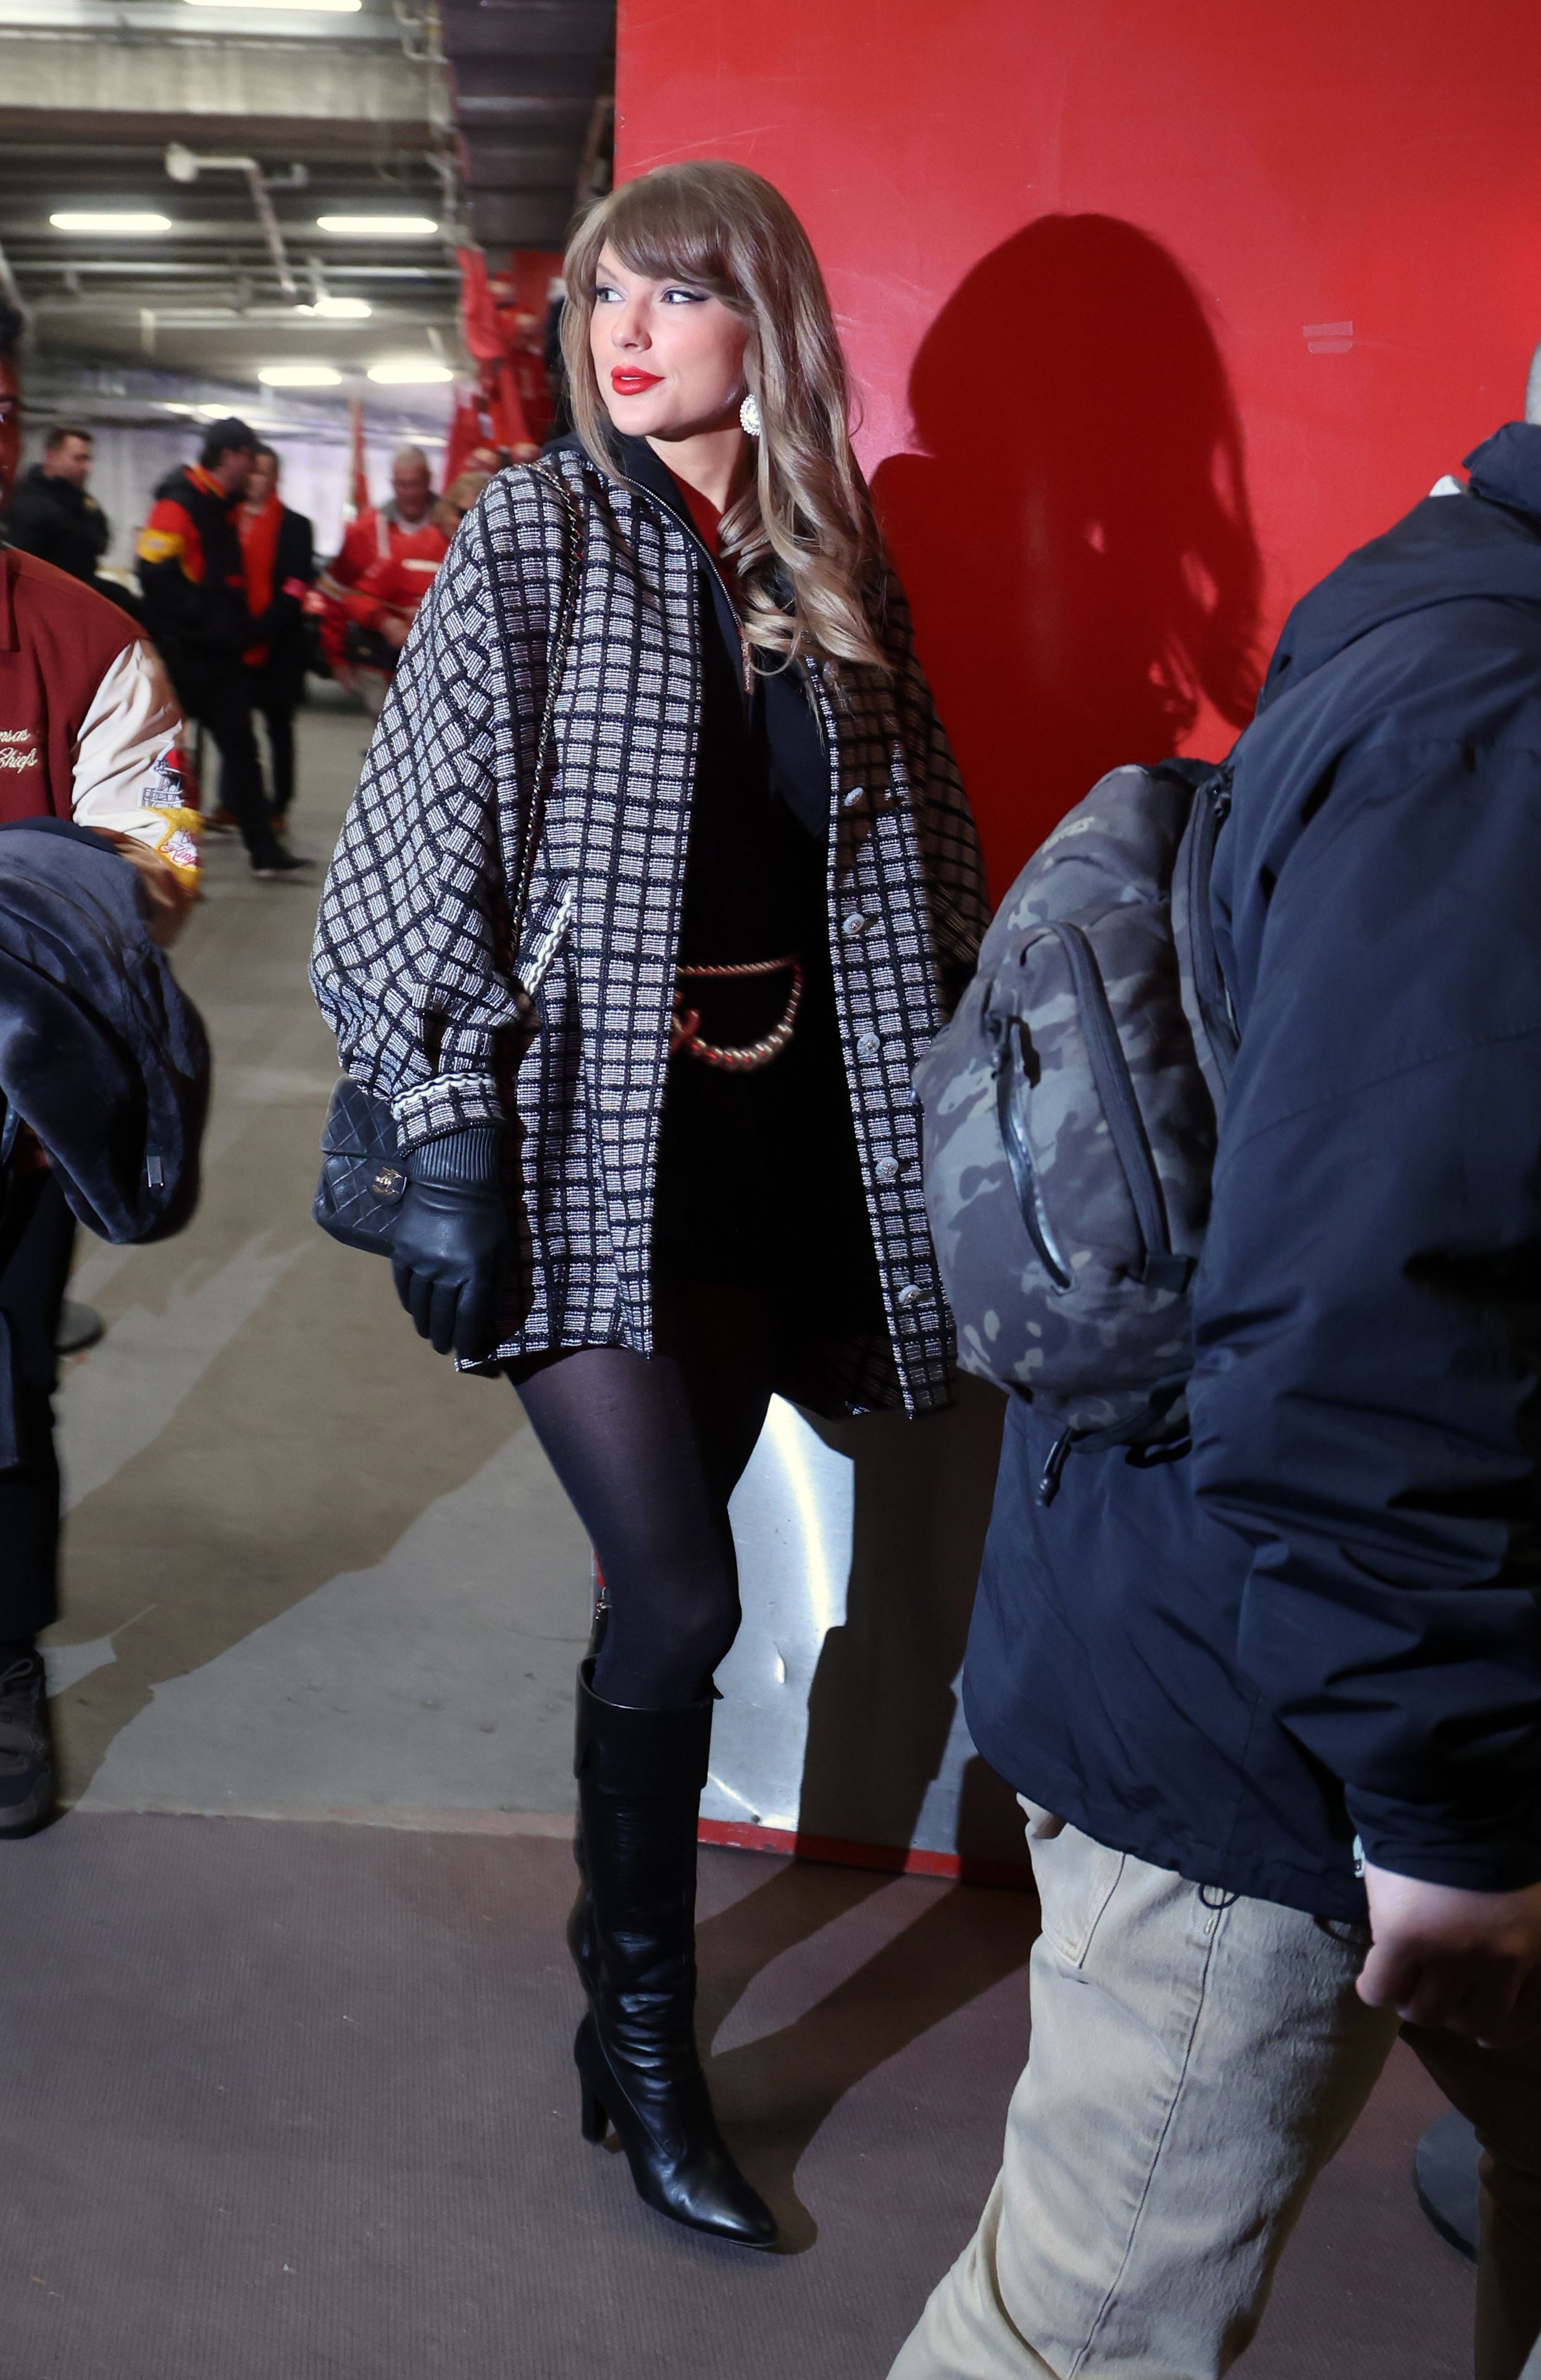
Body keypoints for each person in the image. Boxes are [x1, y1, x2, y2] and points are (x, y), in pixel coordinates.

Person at [312, 159, 988, 2250]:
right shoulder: (538, 528)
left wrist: (964, 1092)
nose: (622, 329)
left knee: (653, 1592)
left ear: (757, 324)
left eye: (675, 295)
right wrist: (438, 1126)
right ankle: (641, 2031)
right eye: (605, 292)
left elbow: (925, 852)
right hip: (586, 1137)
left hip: (782, 1137)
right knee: (685, 1592)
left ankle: (620, 2025)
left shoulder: (828, 554)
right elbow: (408, 855)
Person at [890, 407, 1541, 2378]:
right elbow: (1366, 1320)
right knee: (1085, 2328)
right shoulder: (1492, 706)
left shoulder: (1438, 612)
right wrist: (1442, 1810)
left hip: (1313, 1652)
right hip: (1288, 1713)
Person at [0, 543, 207, 1837]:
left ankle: (4, 1661)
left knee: (6, 1393)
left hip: (14, 1120)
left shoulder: (86, 642)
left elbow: (157, 864)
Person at [136, 419, 307, 880]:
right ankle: (170, 857)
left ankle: (264, 848)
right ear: (229, 455)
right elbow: (153, 575)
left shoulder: (220, 505)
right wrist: (206, 621)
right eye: (249, 457)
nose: (253, 468)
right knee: (170, 759)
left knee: (242, 754)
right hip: (186, 655)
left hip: (219, 657)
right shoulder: (179, 502)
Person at [315, 443, 448, 712]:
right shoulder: (365, 531)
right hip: (379, 661)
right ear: (392, 484)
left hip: (439, 663)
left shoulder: (451, 527)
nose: (409, 494)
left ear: (429, 481)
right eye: (402, 485)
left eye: (415, 484)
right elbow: (337, 594)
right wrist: (337, 657)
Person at [238, 445, 314, 829]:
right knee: (236, 729)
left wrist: (262, 628)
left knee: (278, 729)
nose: (255, 479)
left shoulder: (296, 526)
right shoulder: (227, 519)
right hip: (235, 642)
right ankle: (234, 803)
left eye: (263, 472)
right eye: (251, 471)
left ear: (275, 478)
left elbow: (297, 585)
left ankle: (279, 805)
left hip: (279, 642)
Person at [3, 424, 139, 620]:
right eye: (79, 459)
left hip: (77, 590)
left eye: (88, 459)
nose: (87, 468)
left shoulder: (78, 500)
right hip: (49, 605)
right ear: (51, 456)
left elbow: (100, 541)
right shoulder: (29, 504)